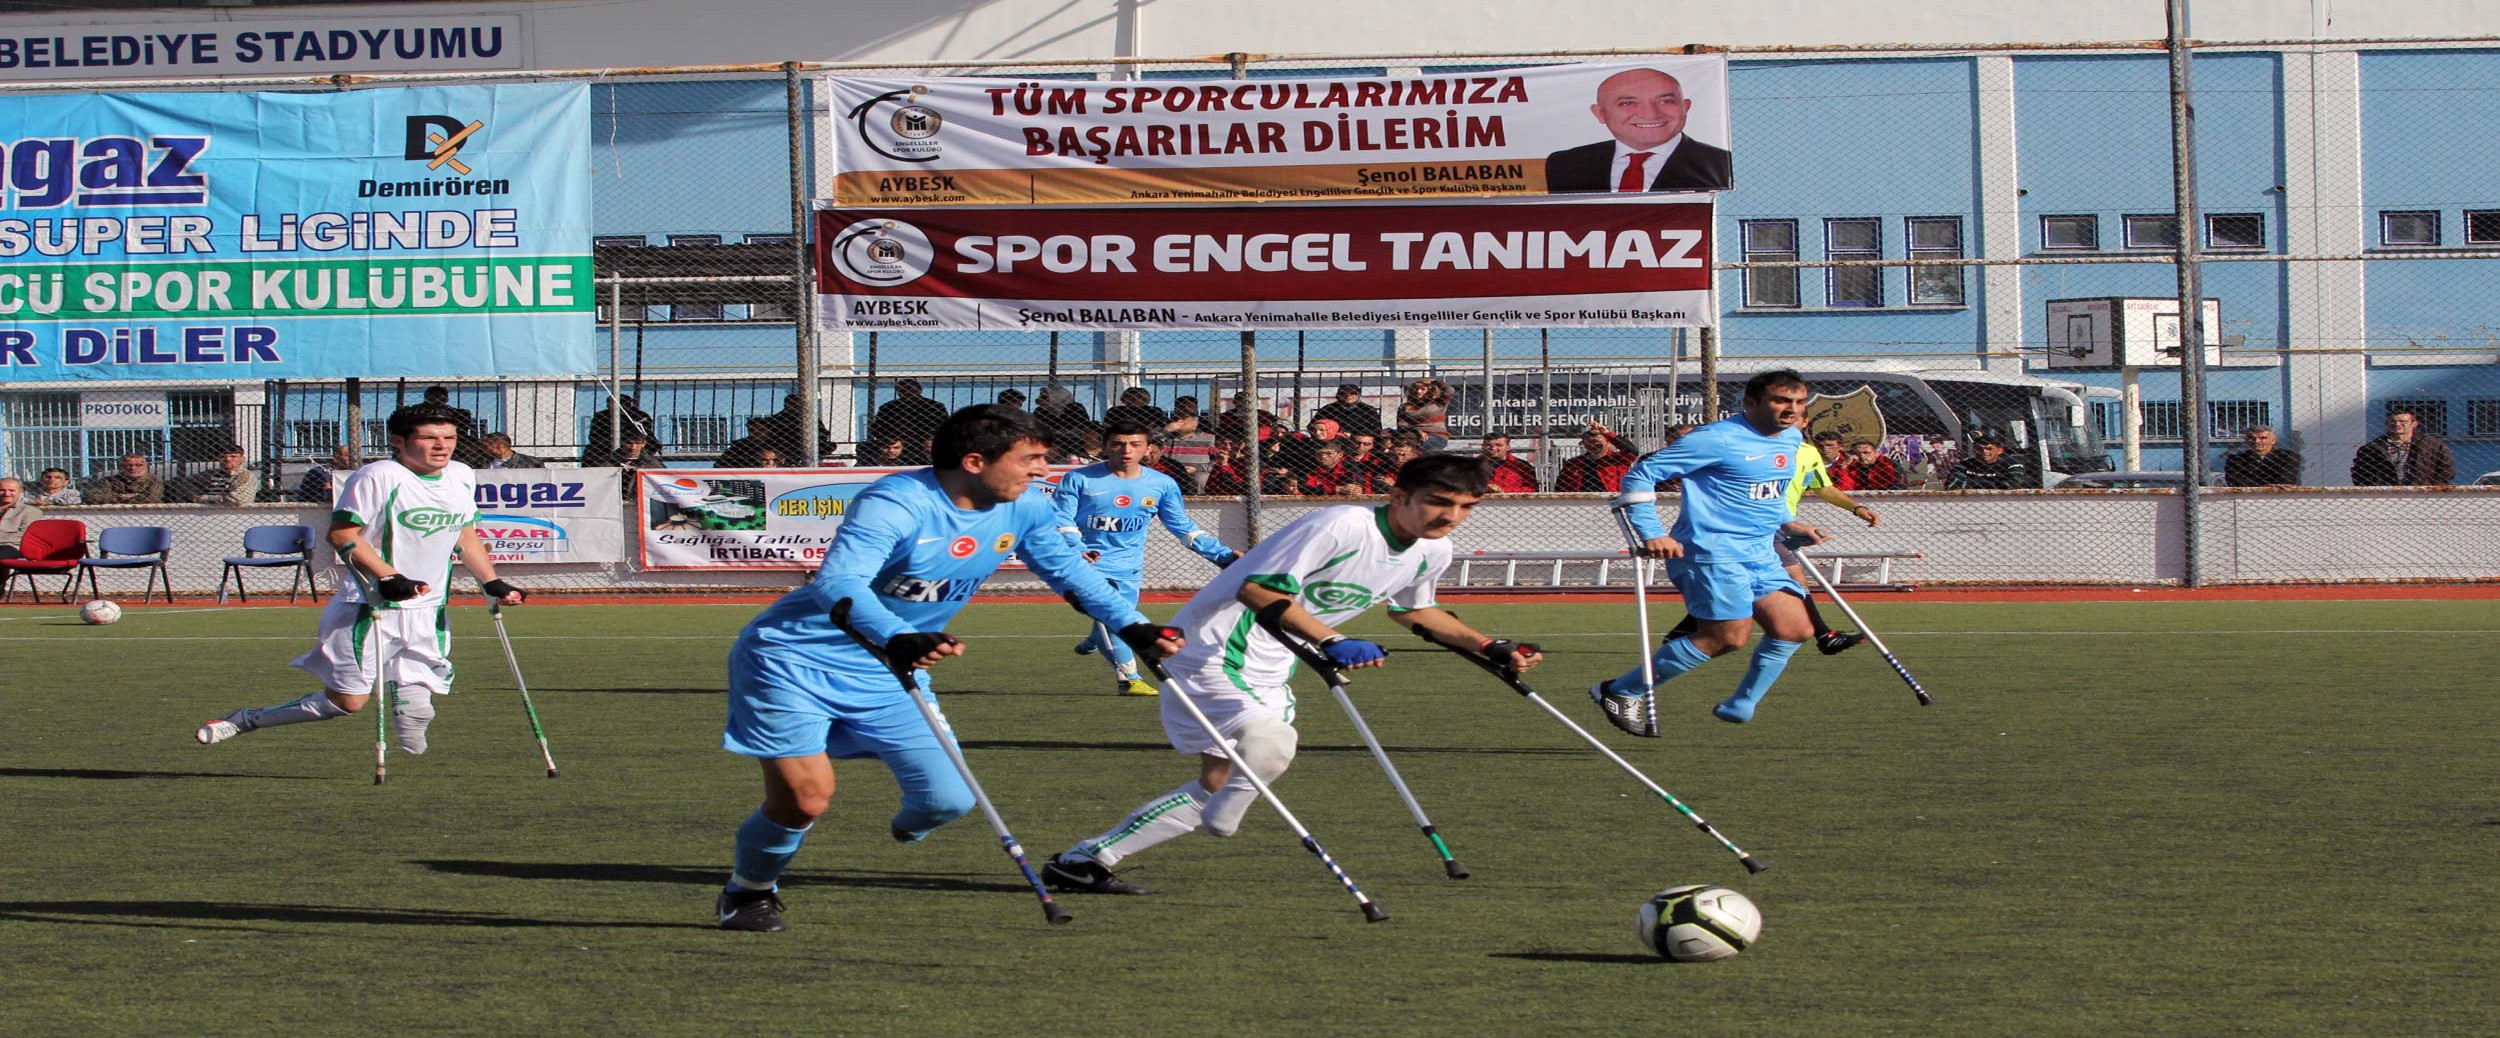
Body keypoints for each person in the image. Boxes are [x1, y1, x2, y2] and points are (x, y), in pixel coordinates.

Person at [708, 404, 1182, 932]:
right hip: (791, 661)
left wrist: (1135, 627)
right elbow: (836, 583)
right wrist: (899, 637)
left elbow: (1069, 572)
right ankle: (748, 892)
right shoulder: (895, 501)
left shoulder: (1026, 506)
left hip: (889, 669)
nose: (1043, 470)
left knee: (946, 801)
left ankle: (902, 827)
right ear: (975, 461)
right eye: (1031, 458)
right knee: (805, 798)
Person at [1039, 453, 1544, 896]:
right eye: (1439, 502)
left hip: (1271, 661)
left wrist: (1487, 645)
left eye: (1465, 508)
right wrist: (1332, 639)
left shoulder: (1434, 550)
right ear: (1399, 495)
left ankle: (1084, 861)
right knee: (1274, 742)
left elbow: (1412, 612)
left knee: (1222, 778)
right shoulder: (1343, 526)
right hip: (1213, 648)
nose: (1451, 517)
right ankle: (1211, 820)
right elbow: (1257, 592)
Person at [194, 404, 526, 754]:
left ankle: (411, 750)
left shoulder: (460, 474)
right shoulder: (378, 476)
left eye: (449, 438)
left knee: (419, 701)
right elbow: (342, 535)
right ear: (399, 441)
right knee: (348, 702)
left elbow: (466, 534)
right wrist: (389, 576)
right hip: (368, 608)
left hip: (428, 609)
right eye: (429, 438)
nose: (442, 446)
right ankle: (245, 719)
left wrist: (492, 582)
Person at [1588, 370, 1829, 735]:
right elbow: (1641, 475)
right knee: (1728, 637)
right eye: (1780, 401)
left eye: (1798, 403)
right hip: (1712, 550)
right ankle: (1620, 691)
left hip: (1759, 552)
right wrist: (1652, 533)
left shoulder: (1792, 437)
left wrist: (1789, 523)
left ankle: (1741, 704)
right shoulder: (1716, 439)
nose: (1791, 410)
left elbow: (1771, 490)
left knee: (1795, 628)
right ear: (1751, 403)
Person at [1056, 420, 1243, 696]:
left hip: (1128, 567)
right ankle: (1128, 678)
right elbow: (1061, 519)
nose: (1126, 450)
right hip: (1086, 564)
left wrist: (1223, 555)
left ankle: (1093, 641)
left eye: (1134, 444)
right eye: (1118, 444)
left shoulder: (1161, 484)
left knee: (1117, 617)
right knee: (1114, 616)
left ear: (1149, 449)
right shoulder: (1079, 479)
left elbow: (1184, 528)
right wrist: (1077, 548)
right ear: (1106, 446)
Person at [1543, 66, 1732, 193]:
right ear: (1600, 113)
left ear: (1686, 107)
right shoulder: (1565, 164)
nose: (1650, 113)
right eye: (1628, 103)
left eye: (1665, 101)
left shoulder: (1718, 163)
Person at [2350, 411, 2454, 486]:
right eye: (2392, 421)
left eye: (2402, 421)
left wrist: (2433, 487)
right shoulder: (2372, 448)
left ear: (2414, 424)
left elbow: (2447, 467)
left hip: (2421, 493)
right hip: (2385, 494)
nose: (2397, 424)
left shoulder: (2431, 445)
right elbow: (2359, 471)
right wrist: (2371, 489)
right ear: (2387, 424)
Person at [870, 380, 950, 464]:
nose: (907, 392)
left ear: (919, 390)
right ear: (898, 392)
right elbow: (877, 427)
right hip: (897, 440)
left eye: (911, 389)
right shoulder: (888, 407)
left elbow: (944, 426)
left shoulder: (934, 406)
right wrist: (890, 439)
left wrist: (931, 438)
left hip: (925, 439)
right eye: (903, 390)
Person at [1554, 421, 1638, 492]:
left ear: (1608, 443)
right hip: (1580, 502)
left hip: (1611, 500)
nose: (1592, 444)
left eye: (1596, 441)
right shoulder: (1574, 463)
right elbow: (1560, 487)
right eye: (1588, 442)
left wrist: (1607, 433)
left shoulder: (1618, 460)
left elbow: (1632, 451)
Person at [583, 395, 662, 463]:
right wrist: (613, 440)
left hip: (632, 441)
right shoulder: (601, 416)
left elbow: (645, 434)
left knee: (645, 446)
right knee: (591, 451)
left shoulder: (639, 415)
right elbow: (593, 437)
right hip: (607, 445)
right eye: (610, 404)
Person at [182, 444, 261, 506]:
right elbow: (186, 482)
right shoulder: (211, 474)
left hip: (237, 514)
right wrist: (193, 494)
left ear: (242, 459)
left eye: (233, 456)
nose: (228, 459)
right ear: (218, 458)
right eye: (223, 457)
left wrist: (202, 498)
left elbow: (235, 500)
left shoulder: (245, 476)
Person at [2224, 427, 2303, 487]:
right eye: (2252, 438)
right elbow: (2234, 482)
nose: (2257, 441)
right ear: (2246, 440)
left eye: (2263, 438)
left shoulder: (2289, 457)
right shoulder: (2236, 459)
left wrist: (2252, 484)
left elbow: (2286, 481)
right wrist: (2267, 486)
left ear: (2273, 440)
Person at [1946, 436, 2031, 489]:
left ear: (2000, 450)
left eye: (1989, 449)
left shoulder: (2012, 464)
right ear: (1974, 450)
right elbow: (1953, 484)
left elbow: (2012, 485)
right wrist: (1995, 483)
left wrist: (1972, 483)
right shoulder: (1965, 464)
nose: (1984, 452)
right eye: (1979, 448)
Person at [87, 453, 165, 505]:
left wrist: (116, 498)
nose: (133, 468)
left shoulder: (154, 480)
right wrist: (121, 497)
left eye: (138, 465)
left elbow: (151, 498)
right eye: (128, 465)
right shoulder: (110, 480)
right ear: (121, 466)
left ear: (146, 465)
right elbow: (93, 496)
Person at [1313, 383, 1384, 438]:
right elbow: (1313, 425)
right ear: (1338, 395)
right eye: (1344, 393)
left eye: (1353, 393)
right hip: (1332, 439)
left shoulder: (1368, 410)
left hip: (1358, 440)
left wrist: (1353, 434)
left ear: (1358, 395)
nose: (1348, 396)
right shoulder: (1328, 409)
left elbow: (1376, 429)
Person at [1395, 379, 1451, 449]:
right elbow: (1401, 425)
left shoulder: (1438, 403)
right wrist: (1417, 432)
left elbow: (1449, 390)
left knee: (1422, 446)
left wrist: (1435, 382)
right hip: (1413, 435)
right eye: (1416, 389)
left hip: (1436, 435)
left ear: (1430, 391)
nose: (1418, 391)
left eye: (1423, 389)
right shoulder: (1405, 407)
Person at [295, 446, 362, 503]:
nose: (353, 458)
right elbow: (328, 493)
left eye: (355, 456)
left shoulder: (358, 472)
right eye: (347, 455)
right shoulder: (322, 471)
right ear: (336, 458)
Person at [1833, 439, 1904, 491]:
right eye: (1857, 453)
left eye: (1866, 453)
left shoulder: (1888, 464)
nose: (1862, 456)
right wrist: (1843, 467)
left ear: (1876, 453)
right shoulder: (1849, 466)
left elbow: (1898, 486)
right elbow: (1842, 487)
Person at [1297, 443, 1364, 496]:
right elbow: (1305, 488)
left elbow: (1354, 487)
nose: (1323, 456)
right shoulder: (1308, 468)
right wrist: (1338, 489)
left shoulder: (1350, 467)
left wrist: (1355, 490)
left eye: (1329, 453)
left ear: (1340, 454)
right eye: (1319, 453)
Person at [0, 477, 37, 560]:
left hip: (11, 546)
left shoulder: (30, 511)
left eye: (11, 490)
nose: (6, 494)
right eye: (2, 490)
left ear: (20, 492)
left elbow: (24, 535)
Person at [1102, 387, 1169, 432]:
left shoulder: (1154, 411)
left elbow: (1161, 426)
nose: (1134, 399)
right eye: (1129, 396)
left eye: (1138, 396)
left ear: (1145, 399)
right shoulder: (1115, 410)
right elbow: (1107, 425)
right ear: (1124, 399)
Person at [476, 433, 545, 470]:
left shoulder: (532, 463)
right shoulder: (479, 463)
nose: (482, 448)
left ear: (499, 446)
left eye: (485, 446)